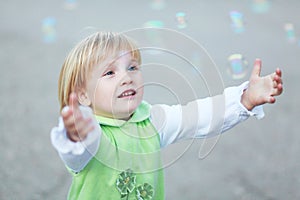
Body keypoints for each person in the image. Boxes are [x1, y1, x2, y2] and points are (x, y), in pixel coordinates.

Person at [50, 31, 283, 200]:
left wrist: (244, 99)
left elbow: (198, 116)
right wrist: (75, 134)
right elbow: (79, 150)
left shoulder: (151, 120)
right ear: (83, 95)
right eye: (110, 72)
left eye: (132, 67)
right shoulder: (92, 134)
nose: (126, 77)